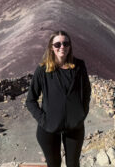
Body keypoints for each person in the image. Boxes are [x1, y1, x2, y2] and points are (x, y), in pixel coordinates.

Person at [26, 30, 91, 167]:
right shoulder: (43, 70)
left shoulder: (79, 66)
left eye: (65, 43)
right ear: (51, 47)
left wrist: (81, 114)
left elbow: (86, 93)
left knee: (73, 164)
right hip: (48, 129)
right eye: (58, 44)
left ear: (70, 46)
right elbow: (30, 100)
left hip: (74, 127)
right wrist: (44, 120)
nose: (62, 47)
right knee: (54, 164)